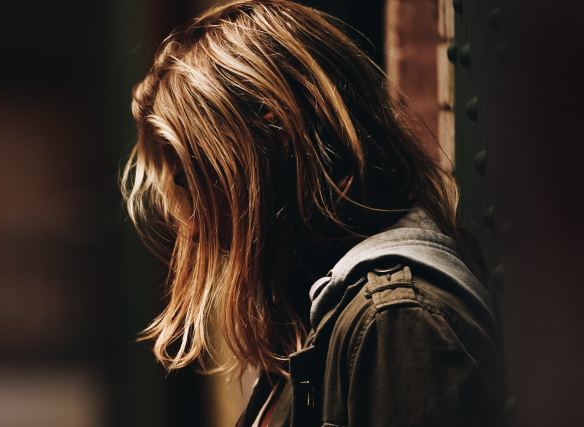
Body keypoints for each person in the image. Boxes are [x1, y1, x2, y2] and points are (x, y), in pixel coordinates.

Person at [121, 1, 505, 425]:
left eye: (193, 185)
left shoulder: (396, 321)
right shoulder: (324, 321)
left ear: (275, 137)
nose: (191, 229)